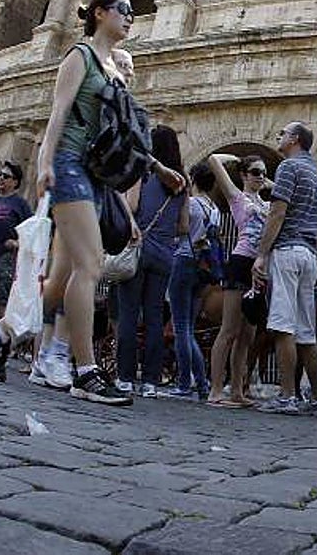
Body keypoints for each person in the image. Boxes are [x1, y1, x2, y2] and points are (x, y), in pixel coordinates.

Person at [0, 0, 172, 404]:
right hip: (69, 163)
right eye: (123, 10)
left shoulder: (112, 69)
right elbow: (59, 111)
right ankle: (85, 372)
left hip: (97, 175)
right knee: (90, 265)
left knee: (64, 276)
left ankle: (2, 331)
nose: (130, 18)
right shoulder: (81, 56)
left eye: (131, 12)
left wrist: (153, 168)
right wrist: (45, 162)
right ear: (100, 13)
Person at [253, 121, 317, 416]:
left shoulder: (288, 168)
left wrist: (262, 253)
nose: (278, 137)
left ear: (295, 139)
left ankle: (287, 396)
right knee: (307, 331)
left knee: (283, 325)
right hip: (310, 253)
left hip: (287, 250)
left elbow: (277, 212)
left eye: (282, 134)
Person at [116, 125, 187, 397]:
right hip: (165, 254)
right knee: (155, 317)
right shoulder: (181, 182)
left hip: (139, 248)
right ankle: (150, 382)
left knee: (129, 315)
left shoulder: (142, 173)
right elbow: (183, 226)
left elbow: (131, 207)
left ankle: (124, 377)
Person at [206, 153, 271, 408]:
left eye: (264, 172)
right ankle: (215, 389)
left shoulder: (265, 203)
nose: (260, 176)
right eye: (255, 172)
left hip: (258, 267)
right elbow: (212, 160)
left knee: (248, 334)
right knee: (229, 329)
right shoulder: (237, 197)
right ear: (243, 175)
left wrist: (266, 183)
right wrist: (234, 158)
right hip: (241, 262)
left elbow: (281, 191)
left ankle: (236, 389)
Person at [166, 159, 218, 399]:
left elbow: (180, 229)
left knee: (181, 328)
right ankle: (203, 382)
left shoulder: (193, 204)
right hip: (203, 269)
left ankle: (185, 383)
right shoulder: (215, 210)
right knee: (189, 328)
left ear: (194, 181)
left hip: (184, 261)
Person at [0, 162, 32, 323]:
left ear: (15, 182)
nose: (1, 178)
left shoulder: (20, 204)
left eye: (6, 176)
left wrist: (16, 243)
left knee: (1, 303)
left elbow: (31, 232)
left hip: (5, 260)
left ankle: (2, 343)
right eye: (0, 175)